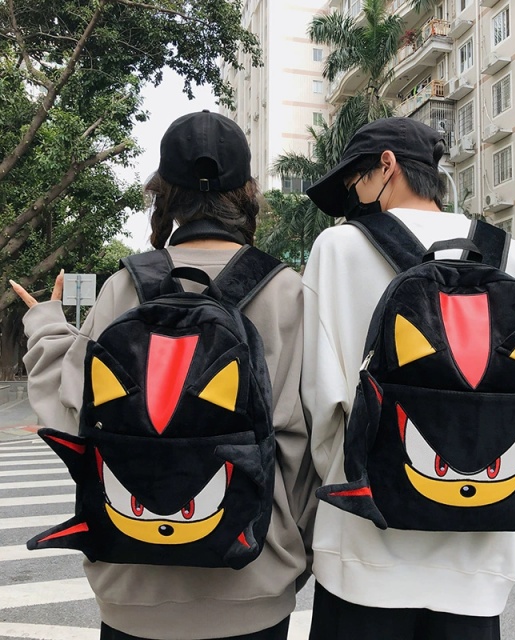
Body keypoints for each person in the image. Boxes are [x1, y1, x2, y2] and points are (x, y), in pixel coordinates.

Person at [11, 110, 317, 640]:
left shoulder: (126, 287)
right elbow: (317, 442)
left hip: (132, 589)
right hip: (254, 581)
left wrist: (46, 328)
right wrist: (298, 549)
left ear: (164, 191)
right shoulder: (288, 289)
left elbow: (69, 415)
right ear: (246, 192)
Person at [301, 116, 515, 640]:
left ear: (386, 165)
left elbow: (322, 405)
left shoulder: (337, 249)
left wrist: (350, 480)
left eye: (355, 181)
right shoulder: (508, 253)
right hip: (477, 556)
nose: (353, 199)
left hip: (365, 549)